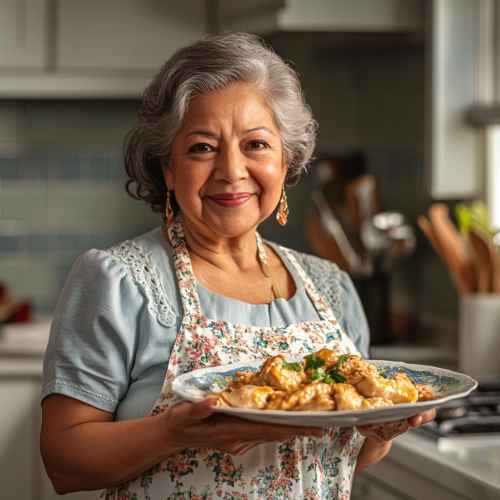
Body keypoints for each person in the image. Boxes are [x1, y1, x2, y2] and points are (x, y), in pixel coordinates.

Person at [40, 32, 434, 499]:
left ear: (287, 161)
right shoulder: (119, 282)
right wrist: (176, 433)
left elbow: (348, 454)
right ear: (168, 167)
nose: (231, 170)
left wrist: (379, 431)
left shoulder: (330, 287)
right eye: (202, 147)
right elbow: (64, 463)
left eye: (257, 145)